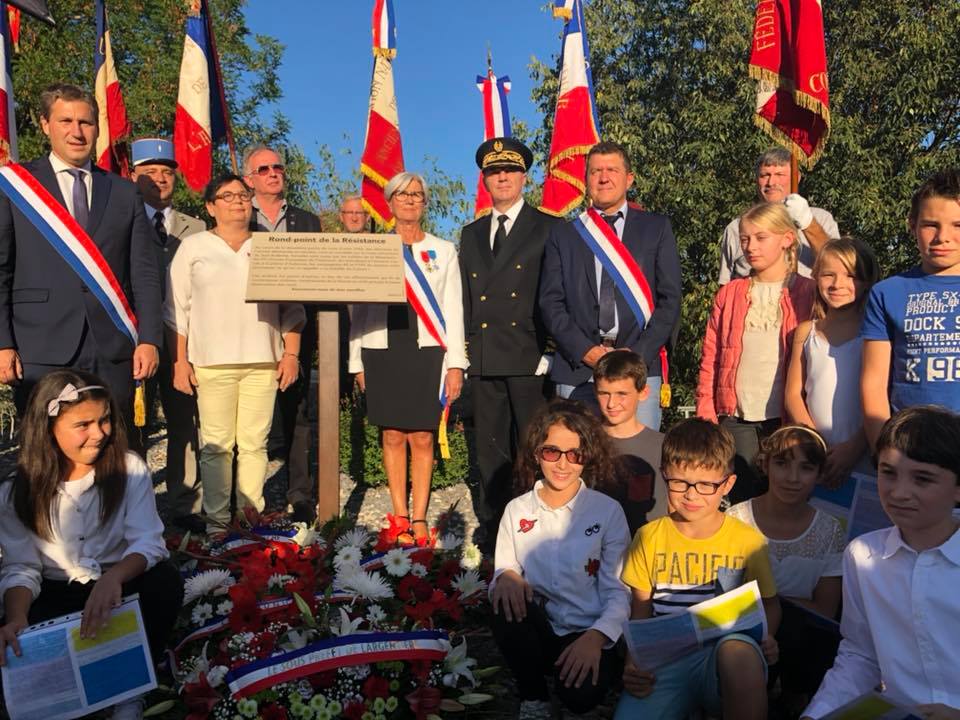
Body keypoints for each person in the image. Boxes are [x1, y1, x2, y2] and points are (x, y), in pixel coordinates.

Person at [0, 370, 183, 720]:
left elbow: (148, 541)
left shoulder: (129, 469)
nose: (99, 434)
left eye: (104, 421)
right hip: (56, 590)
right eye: (83, 424)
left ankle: (133, 686)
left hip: (120, 585)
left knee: (165, 583)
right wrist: (18, 617)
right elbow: (21, 567)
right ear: (48, 428)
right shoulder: (15, 492)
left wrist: (113, 578)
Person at [0, 83, 162, 437]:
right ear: (45, 124)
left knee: (114, 453)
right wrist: (3, 343)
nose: (77, 132)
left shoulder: (124, 191)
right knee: (45, 457)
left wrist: (149, 338)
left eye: (86, 123)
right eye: (66, 121)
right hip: (40, 345)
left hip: (114, 346)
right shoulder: (15, 186)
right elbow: (2, 270)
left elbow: (144, 272)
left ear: (97, 128)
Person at [615, 418, 780, 720]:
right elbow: (641, 611)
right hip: (666, 663)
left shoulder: (748, 541)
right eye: (679, 482)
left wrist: (768, 637)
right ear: (665, 475)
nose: (691, 495)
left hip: (725, 663)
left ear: (727, 484)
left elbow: (769, 605)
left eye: (706, 485)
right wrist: (633, 663)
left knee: (738, 652)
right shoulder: (648, 537)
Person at [166, 174, 304, 533]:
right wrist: (180, 361)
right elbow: (176, 311)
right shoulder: (193, 248)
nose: (238, 202)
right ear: (211, 207)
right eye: (227, 196)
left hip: (262, 360)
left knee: (255, 445)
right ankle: (216, 523)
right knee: (216, 446)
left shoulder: (269, 246)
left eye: (243, 195)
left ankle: (250, 518)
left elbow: (292, 308)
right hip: (211, 362)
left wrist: (291, 355)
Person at [802, 406, 960, 719]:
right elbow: (861, 654)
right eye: (888, 472)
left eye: (923, 479)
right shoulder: (862, 555)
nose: (899, 492)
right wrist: (818, 714)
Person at [491, 399, 630, 719]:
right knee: (504, 596)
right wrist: (507, 576)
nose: (563, 464)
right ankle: (533, 695)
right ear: (537, 453)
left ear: (588, 458)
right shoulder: (517, 510)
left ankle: (579, 672)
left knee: (579, 699)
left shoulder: (607, 512)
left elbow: (617, 590)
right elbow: (505, 564)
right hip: (540, 627)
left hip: (588, 630)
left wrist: (596, 638)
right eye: (552, 451)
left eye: (575, 454)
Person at [349, 172, 467, 542]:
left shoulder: (443, 249)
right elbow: (359, 309)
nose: (410, 200)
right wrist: (356, 362)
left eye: (417, 194)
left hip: (428, 350)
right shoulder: (373, 247)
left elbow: (453, 309)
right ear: (390, 201)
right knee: (392, 435)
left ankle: (419, 518)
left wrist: (456, 364)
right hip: (381, 347)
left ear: (425, 202)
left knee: (422, 436)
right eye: (403, 194)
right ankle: (399, 515)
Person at [459, 137, 558, 553]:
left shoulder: (549, 227)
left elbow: (556, 292)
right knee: (490, 451)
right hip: (484, 357)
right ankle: (495, 526)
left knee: (534, 447)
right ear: (485, 180)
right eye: (494, 172)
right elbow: (464, 295)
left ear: (524, 177)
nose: (502, 178)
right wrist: (461, 351)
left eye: (510, 171)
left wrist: (550, 351)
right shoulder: (471, 233)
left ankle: (539, 526)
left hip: (527, 356)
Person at [539, 140, 681, 431]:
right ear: (586, 179)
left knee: (638, 465)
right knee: (576, 461)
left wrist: (637, 355)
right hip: (578, 368)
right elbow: (550, 303)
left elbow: (670, 300)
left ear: (629, 178)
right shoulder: (564, 235)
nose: (604, 178)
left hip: (639, 366)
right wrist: (585, 350)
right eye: (595, 171)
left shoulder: (656, 228)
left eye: (612, 170)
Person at [697, 202, 815, 502]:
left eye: (760, 238)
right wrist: (706, 412)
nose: (750, 246)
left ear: (787, 238)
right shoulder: (730, 293)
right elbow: (711, 356)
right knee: (744, 495)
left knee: (787, 494)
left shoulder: (808, 292)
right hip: (737, 414)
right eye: (745, 238)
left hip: (787, 413)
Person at [727, 425, 845, 707]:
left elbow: (826, 611)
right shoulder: (735, 519)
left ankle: (795, 699)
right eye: (781, 464)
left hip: (803, 644)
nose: (792, 478)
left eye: (805, 468)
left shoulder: (829, 530)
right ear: (765, 464)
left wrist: (773, 605)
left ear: (818, 474)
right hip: (742, 635)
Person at [129, 137, 206, 531]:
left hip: (182, 341)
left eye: (167, 172)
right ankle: (135, 505)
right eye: (150, 172)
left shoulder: (198, 228)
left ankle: (184, 504)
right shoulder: (121, 220)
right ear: (133, 176)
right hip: (135, 338)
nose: (160, 179)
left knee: (184, 425)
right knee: (133, 427)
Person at [243, 144, 322, 523]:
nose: (273, 173)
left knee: (298, 412)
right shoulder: (239, 216)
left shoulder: (307, 221)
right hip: (250, 327)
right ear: (249, 179)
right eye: (264, 169)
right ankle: (243, 496)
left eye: (278, 167)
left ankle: (300, 493)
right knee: (247, 416)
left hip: (296, 328)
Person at [862, 170, 960, 450]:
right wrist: (883, 453)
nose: (943, 237)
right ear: (912, 225)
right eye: (930, 224)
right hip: (910, 448)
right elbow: (873, 383)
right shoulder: (887, 292)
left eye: (957, 225)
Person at [785, 238, 880, 486]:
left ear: (868, 280)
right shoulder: (805, 332)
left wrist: (855, 447)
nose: (838, 284)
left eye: (851, 276)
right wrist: (816, 444)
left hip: (865, 456)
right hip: (815, 459)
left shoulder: (877, 334)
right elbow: (793, 395)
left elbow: (885, 395)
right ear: (815, 277)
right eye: (828, 274)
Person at [718, 147, 840, 285]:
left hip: (806, 305)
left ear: (797, 177)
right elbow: (724, 286)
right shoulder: (737, 228)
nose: (771, 183)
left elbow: (837, 264)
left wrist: (808, 223)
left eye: (780, 174)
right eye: (765, 175)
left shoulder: (821, 219)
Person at [593, 350, 668, 534]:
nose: (611, 404)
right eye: (604, 393)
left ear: (643, 393)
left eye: (621, 394)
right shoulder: (584, 443)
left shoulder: (664, 446)